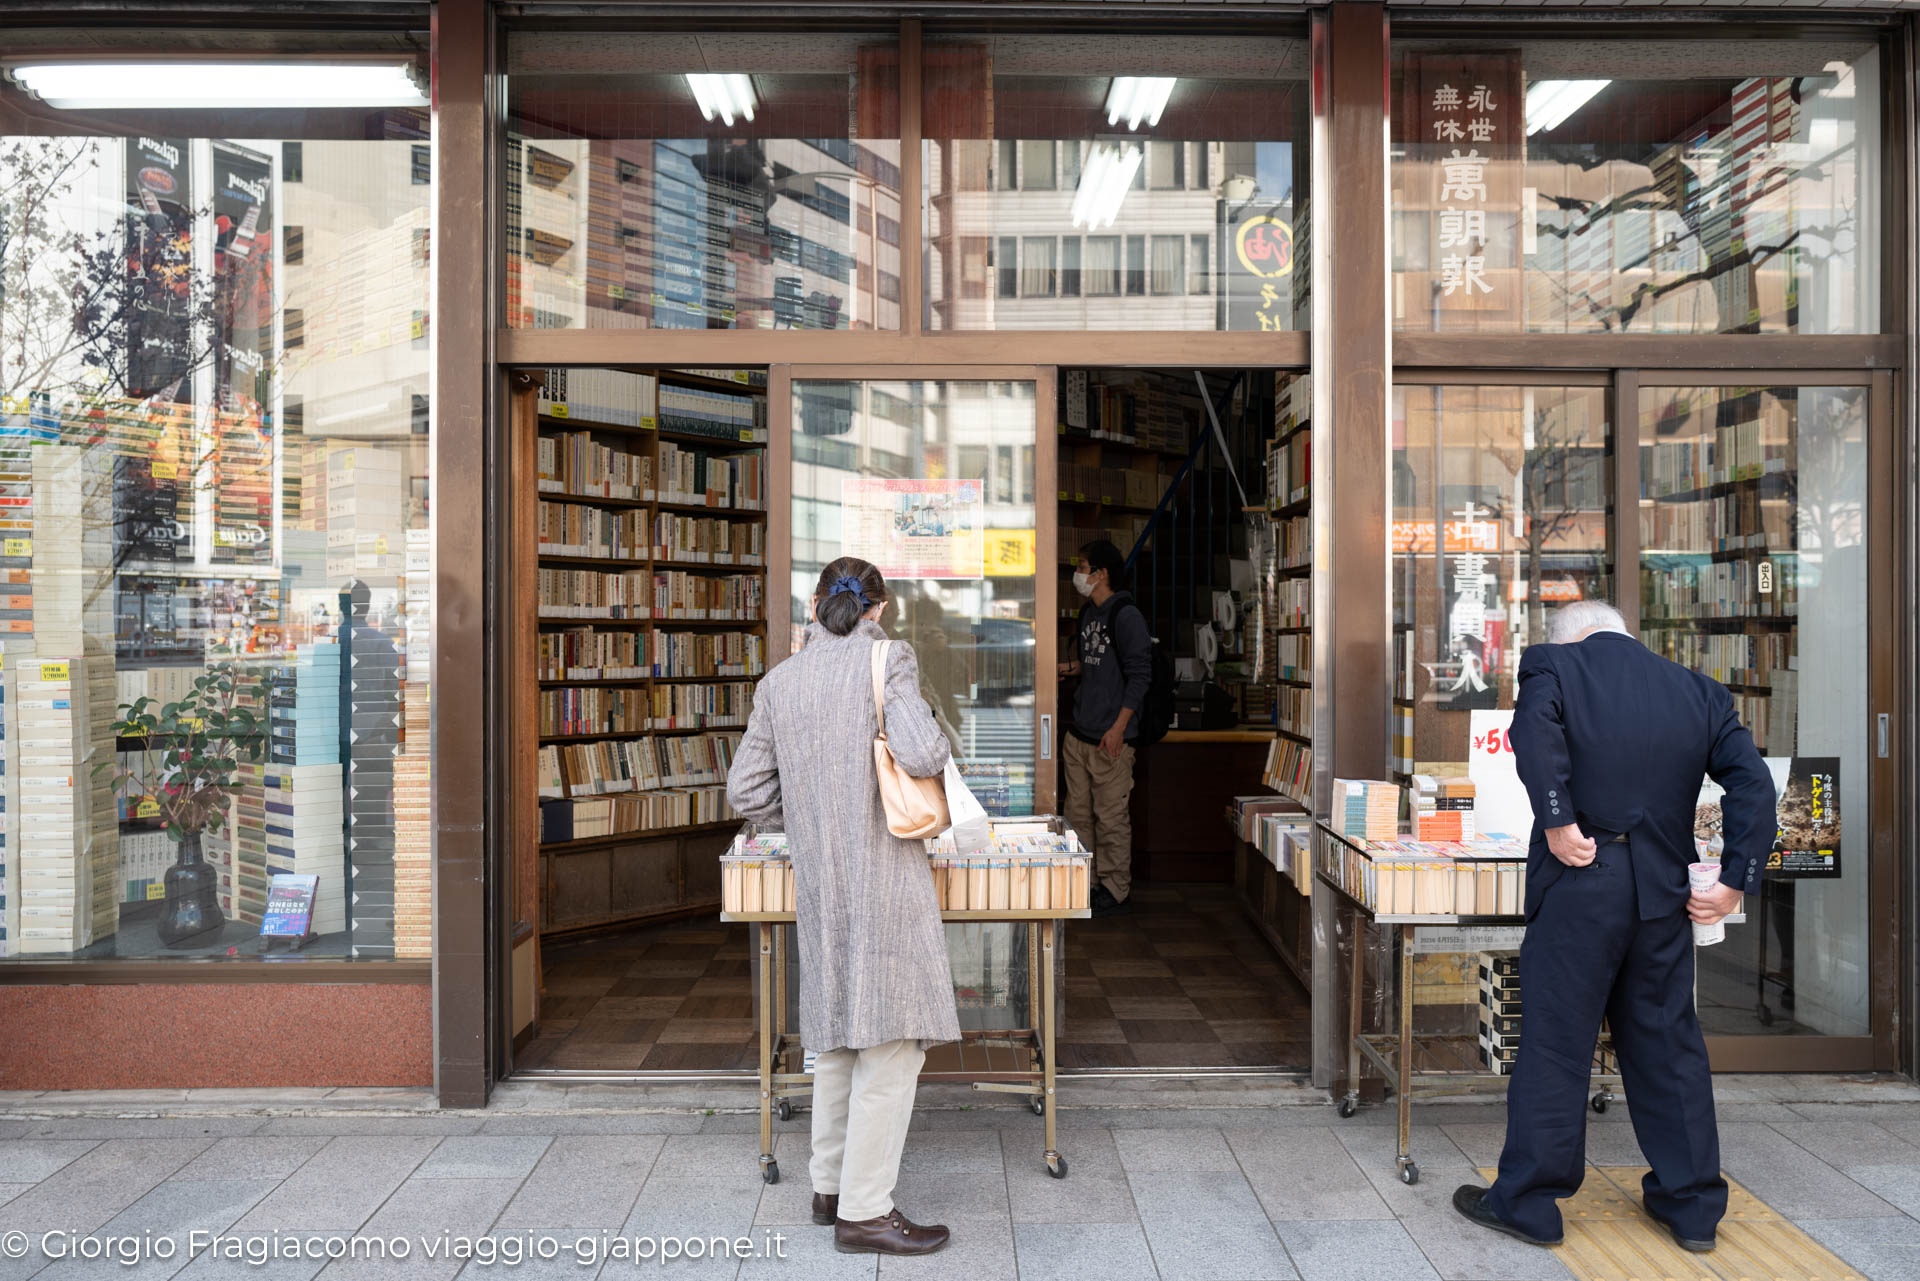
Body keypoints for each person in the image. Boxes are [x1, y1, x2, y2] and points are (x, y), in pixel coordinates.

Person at [1453, 600, 1776, 1254]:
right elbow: (1754, 785)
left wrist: (1556, 816)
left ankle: (1530, 1203)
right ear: (1626, 633)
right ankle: (1691, 1208)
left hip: (1582, 883)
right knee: (1667, 1044)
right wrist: (1735, 877)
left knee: (1557, 1042)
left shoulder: (1555, 664)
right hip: (1663, 893)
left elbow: (1532, 732)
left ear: (1571, 638)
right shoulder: (1698, 690)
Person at [725, 556, 959, 1257]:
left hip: (821, 881)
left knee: (834, 1036)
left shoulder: (781, 680)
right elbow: (920, 752)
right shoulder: (887, 660)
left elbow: (746, 792)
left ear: (815, 603)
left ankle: (827, 1186)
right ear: (877, 608)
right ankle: (865, 1210)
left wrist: (803, 820)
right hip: (884, 877)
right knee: (890, 1043)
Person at [1056, 538, 1152, 916]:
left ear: (1101, 573)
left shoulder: (1125, 615)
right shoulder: (1087, 614)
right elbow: (1092, 663)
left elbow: (1139, 676)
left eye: (1082, 566)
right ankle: (1088, 881)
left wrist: (1118, 727)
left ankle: (1115, 889)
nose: (1077, 574)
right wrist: (1064, 670)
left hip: (1111, 738)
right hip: (1079, 732)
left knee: (1110, 818)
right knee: (1077, 815)